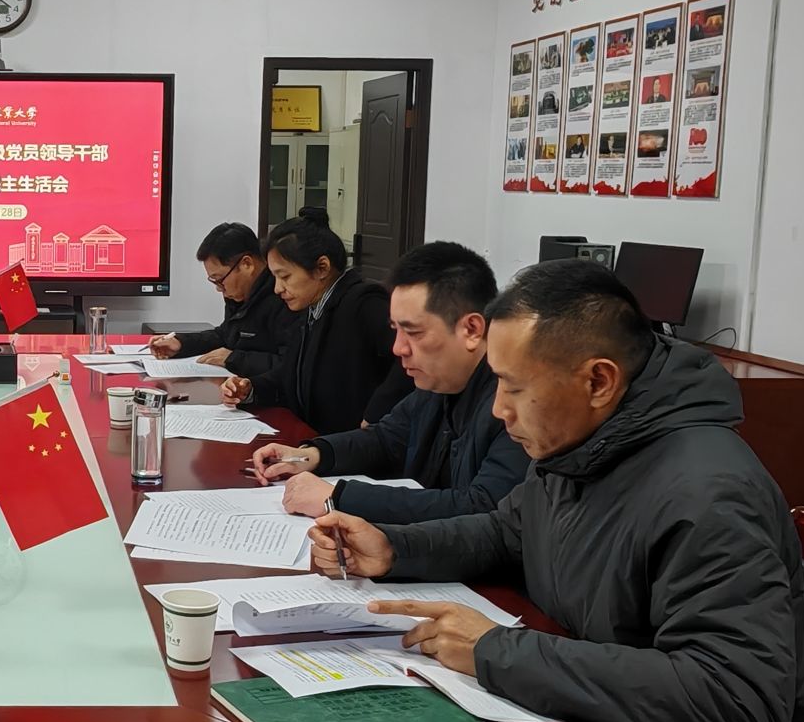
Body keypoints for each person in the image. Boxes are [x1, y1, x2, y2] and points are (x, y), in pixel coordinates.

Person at [307, 259, 804, 722]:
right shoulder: (584, 442)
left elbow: (734, 701)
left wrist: (497, 651)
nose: (498, 409)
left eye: (515, 387)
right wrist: (394, 549)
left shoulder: (708, 494)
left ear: (598, 381)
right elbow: (508, 530)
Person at [249, 241, 526, 526]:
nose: (398, 348)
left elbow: (482, 507)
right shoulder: (437, 385)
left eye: (413, 332)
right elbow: (385, 439)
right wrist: (311, 455)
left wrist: (338, 497)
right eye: (396, 330)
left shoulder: (515, 403)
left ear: (471, 329)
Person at [219, 207, 410, 436]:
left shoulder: (363, 303)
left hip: (353, 443)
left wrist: (376, 412)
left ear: (322, 268)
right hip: (315, 439)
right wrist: (251, 388)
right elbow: (290, 374)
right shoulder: (310, 309)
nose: (278, 288)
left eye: (285, 276)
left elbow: (408, 357)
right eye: (275, 277)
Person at [146, 222, 297, 376]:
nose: (219, 288)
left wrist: (234, 359)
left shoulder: (286, 298)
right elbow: (226, 336)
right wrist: (181, 343)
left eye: (220, 279)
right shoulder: (239, 295)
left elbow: (290, 365)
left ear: (246, 264)